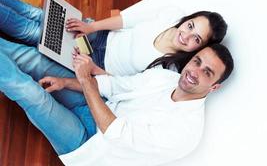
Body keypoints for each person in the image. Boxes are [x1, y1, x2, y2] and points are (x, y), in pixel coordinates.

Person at [0, 43, 234, 166]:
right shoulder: (167, 77)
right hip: (98, 106)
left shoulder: (186, 132)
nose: (194, 72)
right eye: (196, 61)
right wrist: (65, 82)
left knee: (31, 92)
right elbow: (118, 85)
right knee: (37, 59)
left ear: (214, 87)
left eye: (207, 72)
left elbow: (115, 133)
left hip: (91, 149)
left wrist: (85, 80)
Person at [0, 0, 227, 76]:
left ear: (199, 48)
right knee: (38, 14)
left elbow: (124, 85)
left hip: (94, 61)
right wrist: (91, 27)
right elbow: (126, 20)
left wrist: (93, 70)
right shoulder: (172, 14)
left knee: (32, 30)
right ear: (187, 19)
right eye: (190, 26)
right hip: (99, 35)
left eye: (196, 39)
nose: (187, 36)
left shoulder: (169, 69)